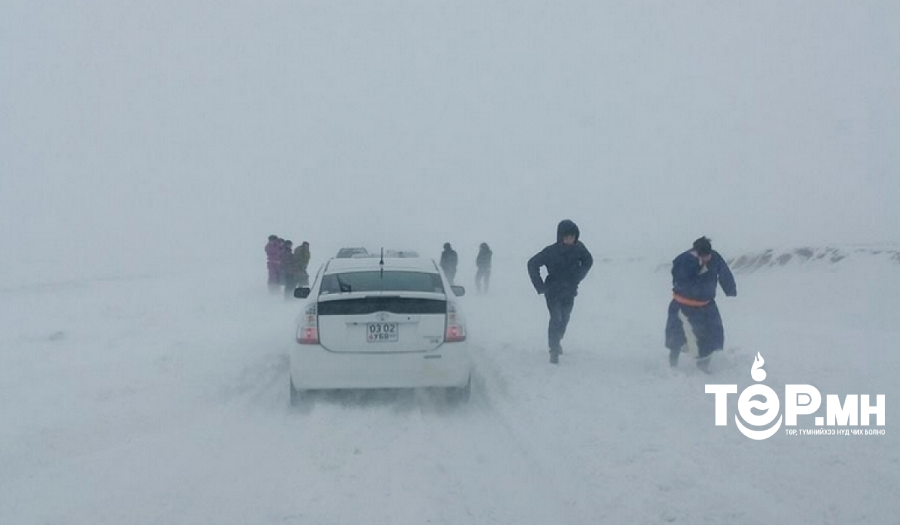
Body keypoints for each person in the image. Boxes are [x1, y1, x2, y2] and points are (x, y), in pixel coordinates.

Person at [665, 236, 737, 373]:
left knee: (713, 336)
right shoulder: (684, 261)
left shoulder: (715, 257)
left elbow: (724, 273)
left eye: (708, 255)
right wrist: (697, 266)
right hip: (682, 305)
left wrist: (730, 289)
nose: (707, 258)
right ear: (696, 252)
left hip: (706, 306)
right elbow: (680, 281)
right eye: (703, 256)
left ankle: (703, 366)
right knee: (677, 336)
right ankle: (673, 365)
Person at [527, 220, 593, 364]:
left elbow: (588, 261)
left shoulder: (579, 248)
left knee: (565, 319)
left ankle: (557, 340)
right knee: (556, 318)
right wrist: (540, 285)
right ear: (560, 237)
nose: (569, 239)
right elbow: (532, 264)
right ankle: (554, 349)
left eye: (572, 237)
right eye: (566, 237)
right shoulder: (551, 251)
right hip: (553, 291)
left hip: (570, 291)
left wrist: (578, 276)